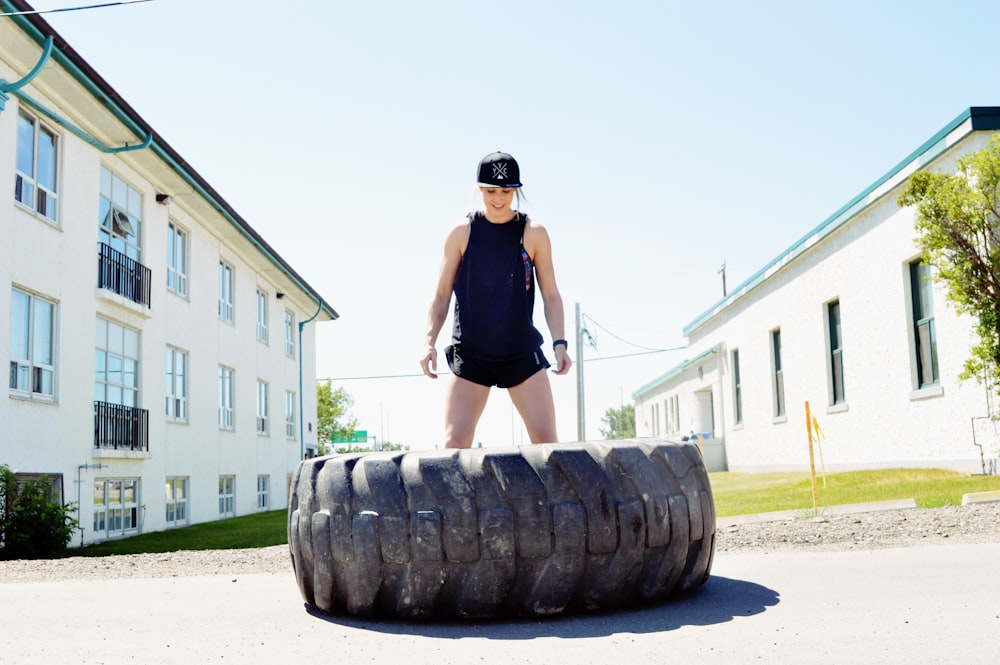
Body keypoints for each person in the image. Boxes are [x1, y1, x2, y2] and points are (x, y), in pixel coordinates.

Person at [419, 151, 572, 448]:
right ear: (479, 190)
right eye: (491, 191)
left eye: (506, 191)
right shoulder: (461, 234)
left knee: (548, 445)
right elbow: (440, 296)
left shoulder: (533, 234)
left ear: (516, 191)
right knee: (454, 443)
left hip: (520, 353)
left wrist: (560, 343)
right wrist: (428, 342)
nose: (499, 198)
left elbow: (551, 295)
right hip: (472, 353)